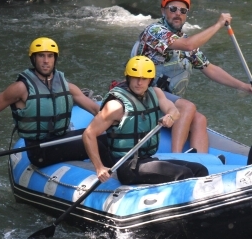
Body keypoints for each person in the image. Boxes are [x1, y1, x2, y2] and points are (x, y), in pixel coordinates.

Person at [132, 0, 252, 153]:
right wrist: (218, 25)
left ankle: (202, 164)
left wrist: (244, 86)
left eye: (183, 11)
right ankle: (176, 157)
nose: (177, 14)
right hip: (143, 94)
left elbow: (209, 68)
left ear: (186, 15)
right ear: (163, 11)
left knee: (200, 120)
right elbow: (189, 46)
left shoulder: (184, 39)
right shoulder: (155, 32)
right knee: (187, 107)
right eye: (172, 9)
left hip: (166, 101)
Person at [83, 56, 209, 185]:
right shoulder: (116, 106)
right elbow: (88, 134)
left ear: (150, 80)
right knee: (184, 174)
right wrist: (99, 167)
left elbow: (175, 110)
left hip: (146, 159)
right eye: (136, 78)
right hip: (126, 166)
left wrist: (170, 116)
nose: (139, 83)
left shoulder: (156, 93)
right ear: (128, 77)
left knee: (199, 170)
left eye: (144, 79)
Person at [0, 37, 101, 167]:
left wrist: (117, 121)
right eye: (41, 56)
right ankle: (109, 177)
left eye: (50, 56)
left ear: (55, 59)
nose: (46, 61)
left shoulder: (67, 87)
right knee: (98, 143)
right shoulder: (20, 88)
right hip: (39, 150)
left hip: (60, 140)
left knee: (99, 137)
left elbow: (95, 109)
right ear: (33, 59)